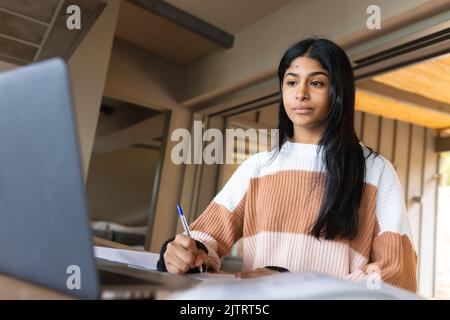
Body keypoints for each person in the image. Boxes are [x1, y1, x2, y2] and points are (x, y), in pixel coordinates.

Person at [156, 37, 417, 292]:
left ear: (339, 92)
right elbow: (205, 238)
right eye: (291, 82)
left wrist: (293, 284)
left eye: (316, 83)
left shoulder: (375, 170)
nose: (301, 94)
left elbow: (397, 273)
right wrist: (185, 253)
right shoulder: (256, 168)